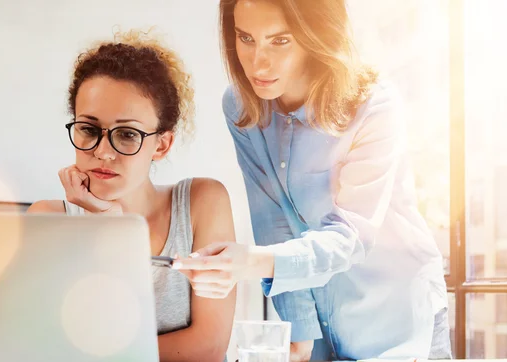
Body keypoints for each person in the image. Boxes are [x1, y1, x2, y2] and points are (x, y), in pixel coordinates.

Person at [173, 1, 451, 361]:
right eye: (246, 38)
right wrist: (300, 335)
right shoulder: (242, 107)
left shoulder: (375, 106)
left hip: (395, 324)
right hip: (319, 332)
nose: (258, 62)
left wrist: (250, 263)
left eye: (280, 41)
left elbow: (349, 238)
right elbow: (272, 221)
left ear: (315, 36)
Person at [27, 30, 235, 362]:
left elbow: (208, 348)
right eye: (89, 129)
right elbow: (51, 347)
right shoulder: (48, 220)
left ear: (162, 144)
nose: (103, 152)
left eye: (127, 134)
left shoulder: (202, 202)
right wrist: (103, 222)